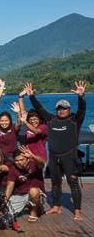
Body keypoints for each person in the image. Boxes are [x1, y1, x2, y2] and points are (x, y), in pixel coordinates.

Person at [26, 81, 86, 220]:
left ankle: (77, 211)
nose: (61, 110)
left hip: (69, 157)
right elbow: (39, 109)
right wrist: (31, 97)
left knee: (73, 185)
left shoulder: (74, 121)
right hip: (54, 157)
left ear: (69, 109)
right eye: (59, 108)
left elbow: (82, 110)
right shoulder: (51, 120)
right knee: (55, 184)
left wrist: (81, 97)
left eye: (64, 108)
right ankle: (56, 206)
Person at [5, 146, 46, 222]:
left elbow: (42, 163)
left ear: (27, 159)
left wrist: (32, 156)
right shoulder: (13, 169)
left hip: (37, 194)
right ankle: (29, 206)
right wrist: (5, 201)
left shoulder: (34, 164)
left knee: (33, 191)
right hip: (22, 195)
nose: (20, 162)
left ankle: (34, 211)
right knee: (6, 212)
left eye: (22, 159)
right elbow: (10, 186)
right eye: (17, 161)